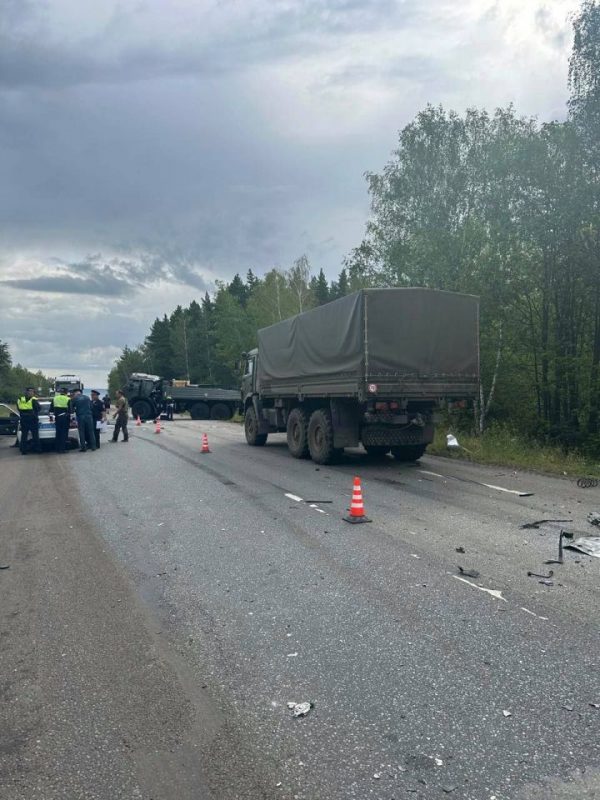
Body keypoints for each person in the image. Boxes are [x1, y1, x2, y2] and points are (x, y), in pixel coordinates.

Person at [16, 387, 41, 455]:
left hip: (24, 419)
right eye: (31, 391)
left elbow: (18, 408)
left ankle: (24, 451)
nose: (31, 393)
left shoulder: (20, 399)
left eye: (32, 392)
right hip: (32, 420)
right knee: (35, 436)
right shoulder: (34, 399)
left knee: (24, 436)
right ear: (27, 392)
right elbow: (39, 408)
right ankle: (38, 449)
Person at [50, 386, 71, 453]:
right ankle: (62, 449)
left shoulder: (55, 398)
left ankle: (57, 448)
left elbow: (51, 409)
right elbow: (70, 410)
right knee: (64, 434)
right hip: (65, 418)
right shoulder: (68, 399)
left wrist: (51, 417)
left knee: (58, 433)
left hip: (57, 418)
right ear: (66, 392)